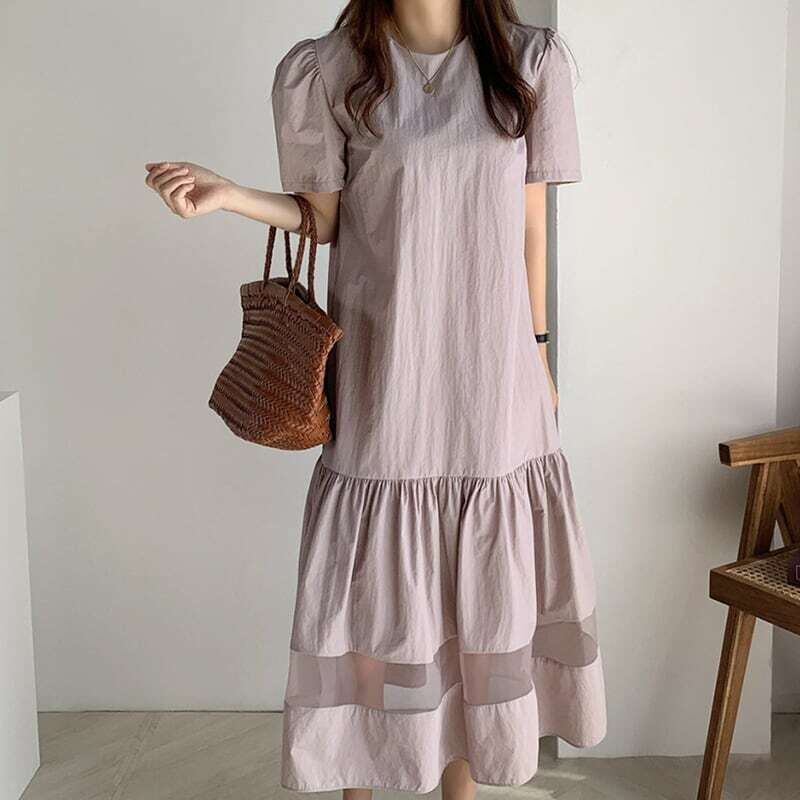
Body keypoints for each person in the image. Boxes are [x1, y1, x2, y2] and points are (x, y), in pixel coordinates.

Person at [145, 1, 606, 797]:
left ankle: (463, 785)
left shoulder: (531, 63)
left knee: (475, 582)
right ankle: (357, 780)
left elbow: (532, 223)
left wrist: (538, 349)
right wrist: (231, 196)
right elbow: (321, 221)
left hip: (493, 374)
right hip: (385, 367)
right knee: (371, 587)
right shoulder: (326, 69)